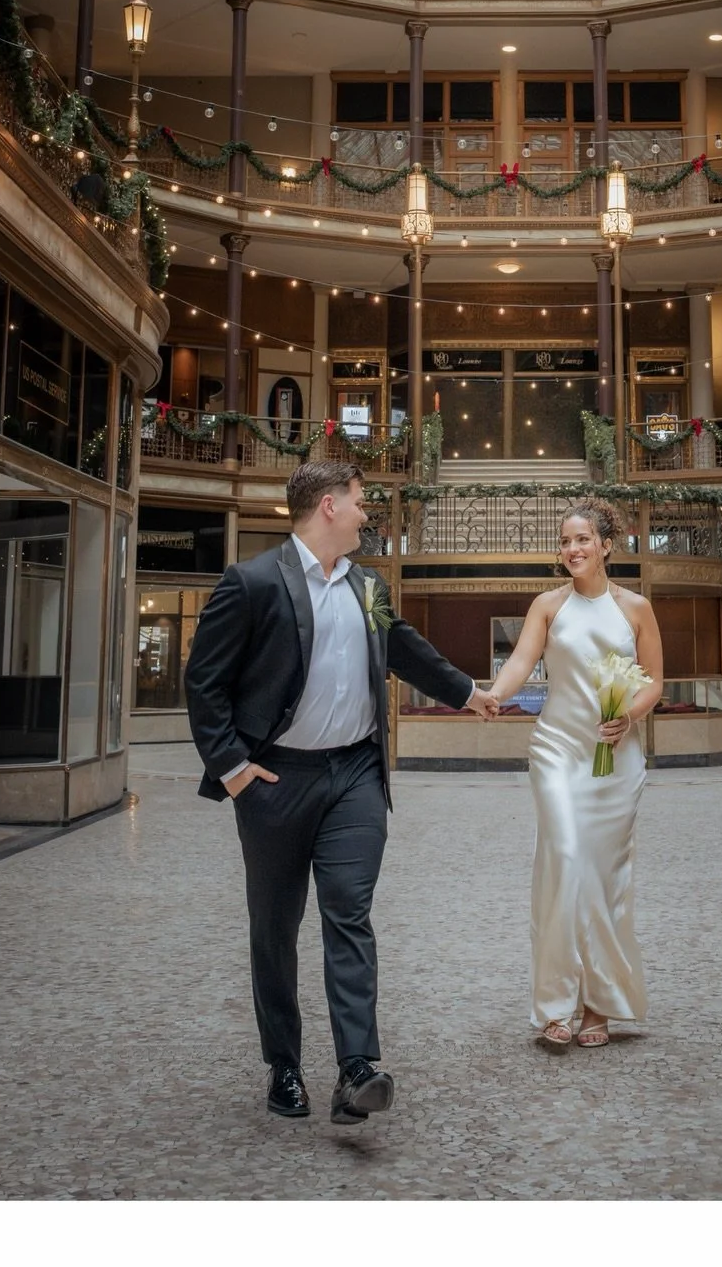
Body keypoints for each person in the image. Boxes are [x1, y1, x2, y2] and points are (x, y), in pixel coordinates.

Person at [184, 459, 499, 1125]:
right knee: (275, 927)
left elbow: (402, 648)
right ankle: (285, 1065)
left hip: (355, 774)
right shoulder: (252, 582)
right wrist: (234, 769)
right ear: (329, 505)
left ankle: (356, 1068)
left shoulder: (366, 584)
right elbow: (204, 682)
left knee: (349, 911)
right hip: (275, 781)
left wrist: (468, 692)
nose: (366, 513)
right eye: (359, 502)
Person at [487, 500, 664, 1050]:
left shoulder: (636, 608)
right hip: (558, 750)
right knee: (563, 859)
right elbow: (522, 661)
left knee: (602, 879)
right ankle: (555, 1003)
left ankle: (597, 1005)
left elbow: (654, 682)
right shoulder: (548, 605)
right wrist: (493, 694)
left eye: (583, 539)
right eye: (565, 541)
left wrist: (628, 717)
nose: (572, 549)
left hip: (615, 760)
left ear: (606, 545)